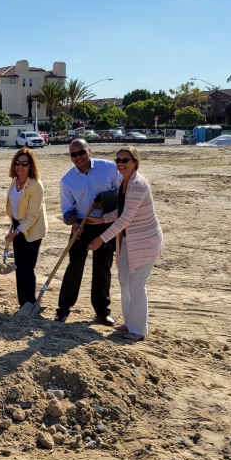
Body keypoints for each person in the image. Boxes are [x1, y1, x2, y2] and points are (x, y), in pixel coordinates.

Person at [87, 146, 163, 342]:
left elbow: (125, 220)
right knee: (124, 281)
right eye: (118, 160)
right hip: (128, 241)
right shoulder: (123, 182)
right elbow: (120, 213)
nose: (120, 163)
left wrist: (101, 239)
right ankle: (130, 322)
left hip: (145, 242)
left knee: (137, 285)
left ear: (134, 163)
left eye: (125, 160)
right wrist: (101, 219)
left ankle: (139, 329)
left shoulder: (137, 184)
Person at [56, 139, 121, 325]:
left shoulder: (109, 168)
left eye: (81, 152)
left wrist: (107, 201)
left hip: (106, 224)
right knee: (74, 267)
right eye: (73, 155)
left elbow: (123, 192)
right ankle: (63, 309)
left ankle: (102, 311)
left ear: (89, 151)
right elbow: (67, 211)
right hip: (82, 227)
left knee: (102, 268)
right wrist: (75, 223)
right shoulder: (67, 180)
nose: (78, 157)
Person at [5, 147, 48, 308]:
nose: (20, 166)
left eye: (24, 163)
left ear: (31, 166)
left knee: (27, 267)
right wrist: (14, 227)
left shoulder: (36, 185)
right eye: (17, 163)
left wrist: (17, 231)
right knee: (19, 266)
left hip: (32, 229)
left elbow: (32, 216)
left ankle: (29, 302)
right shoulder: (14, 181)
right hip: (17, 226)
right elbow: (15, 207)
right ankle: (22, 302)